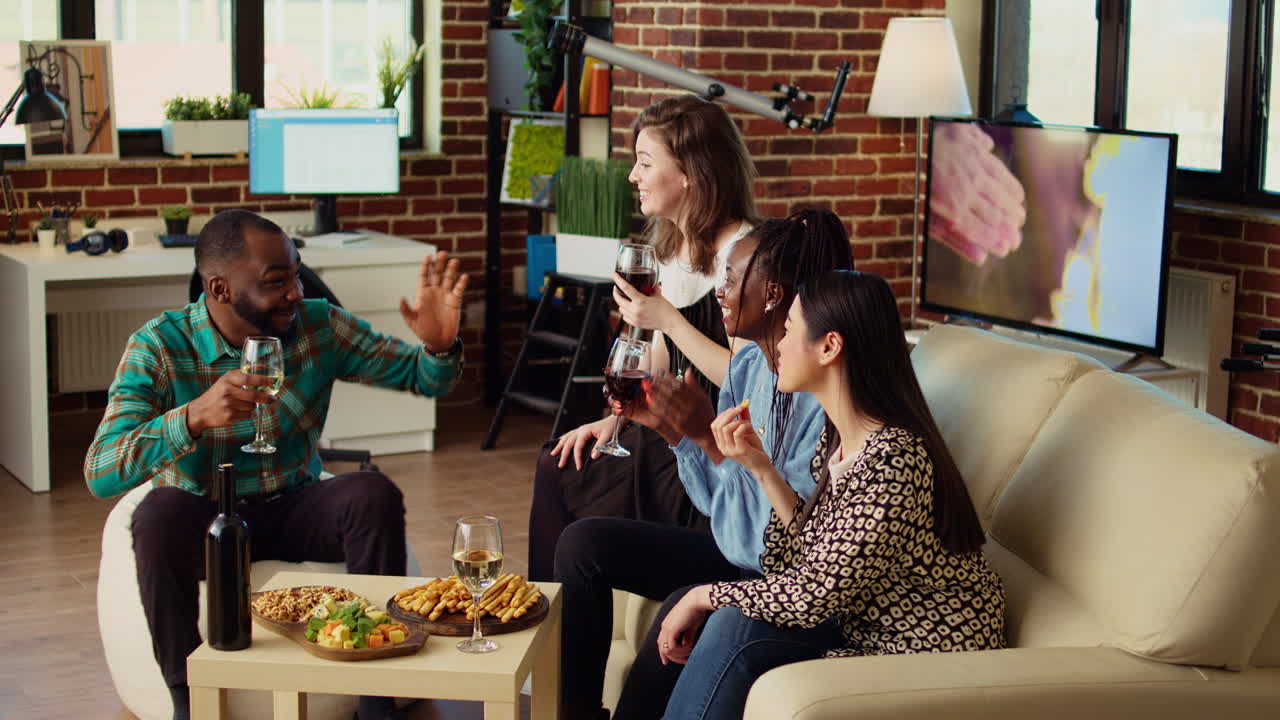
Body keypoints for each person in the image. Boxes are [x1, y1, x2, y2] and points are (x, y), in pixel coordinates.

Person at [83, 209, 467, 720]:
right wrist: (193, 417)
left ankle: (377, 695)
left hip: (294, 503)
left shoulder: (318, 326)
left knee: (371, 494)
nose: (295, 291)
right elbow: (101, 471)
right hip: (205, 515)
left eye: (296, 273)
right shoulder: (158, 345)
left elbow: (424, 379)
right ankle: (187, 701)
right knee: (155, 516)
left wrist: (439, 347)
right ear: (219, 288)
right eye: (276, 281)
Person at [650, 270, 1006, 720]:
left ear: (829, 347)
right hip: (868, 626)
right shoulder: (841, 440)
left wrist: (702, 595)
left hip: (923, 651)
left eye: (790, 328)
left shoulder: (893, 460)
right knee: (727, 621)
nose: (777, 343)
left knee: (728, 622)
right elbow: (820, 546)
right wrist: (760, 467)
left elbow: (812, 592)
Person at [554, 210, 855, 720]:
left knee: (682, 603)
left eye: (731, 279)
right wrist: (674, 432)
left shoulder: (822, 392)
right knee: (583, 545)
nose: (719, 291)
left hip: (780, 569)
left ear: (773, 294)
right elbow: (721, 504)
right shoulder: (748, 366)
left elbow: (792, 539)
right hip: (739, 551)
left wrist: (705, 441)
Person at [528, 94, 759, 580]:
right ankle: (546, 627)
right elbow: (657, 360)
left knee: (570, 480)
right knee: (558, 462)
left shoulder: (748, 258)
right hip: (669, 425)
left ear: (692, 173)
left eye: (645, 162)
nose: (633, 176)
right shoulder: (675, 246)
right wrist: (614, 420)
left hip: (719, 444)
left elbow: (751, 377)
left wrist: (668, 319)